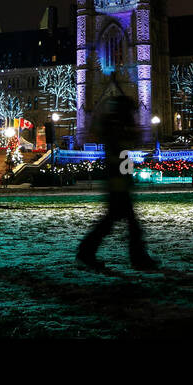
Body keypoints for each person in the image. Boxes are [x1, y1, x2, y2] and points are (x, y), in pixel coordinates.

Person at [75, 86, 159, 271]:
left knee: (116, 221)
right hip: (117, 182)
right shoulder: (117, 130)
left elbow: (124, 154)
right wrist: (123, 179)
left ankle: (88, 251)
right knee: (123, 222)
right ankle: (135, 258)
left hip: (119, 180)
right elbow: (121, 155)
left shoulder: (115, 127)